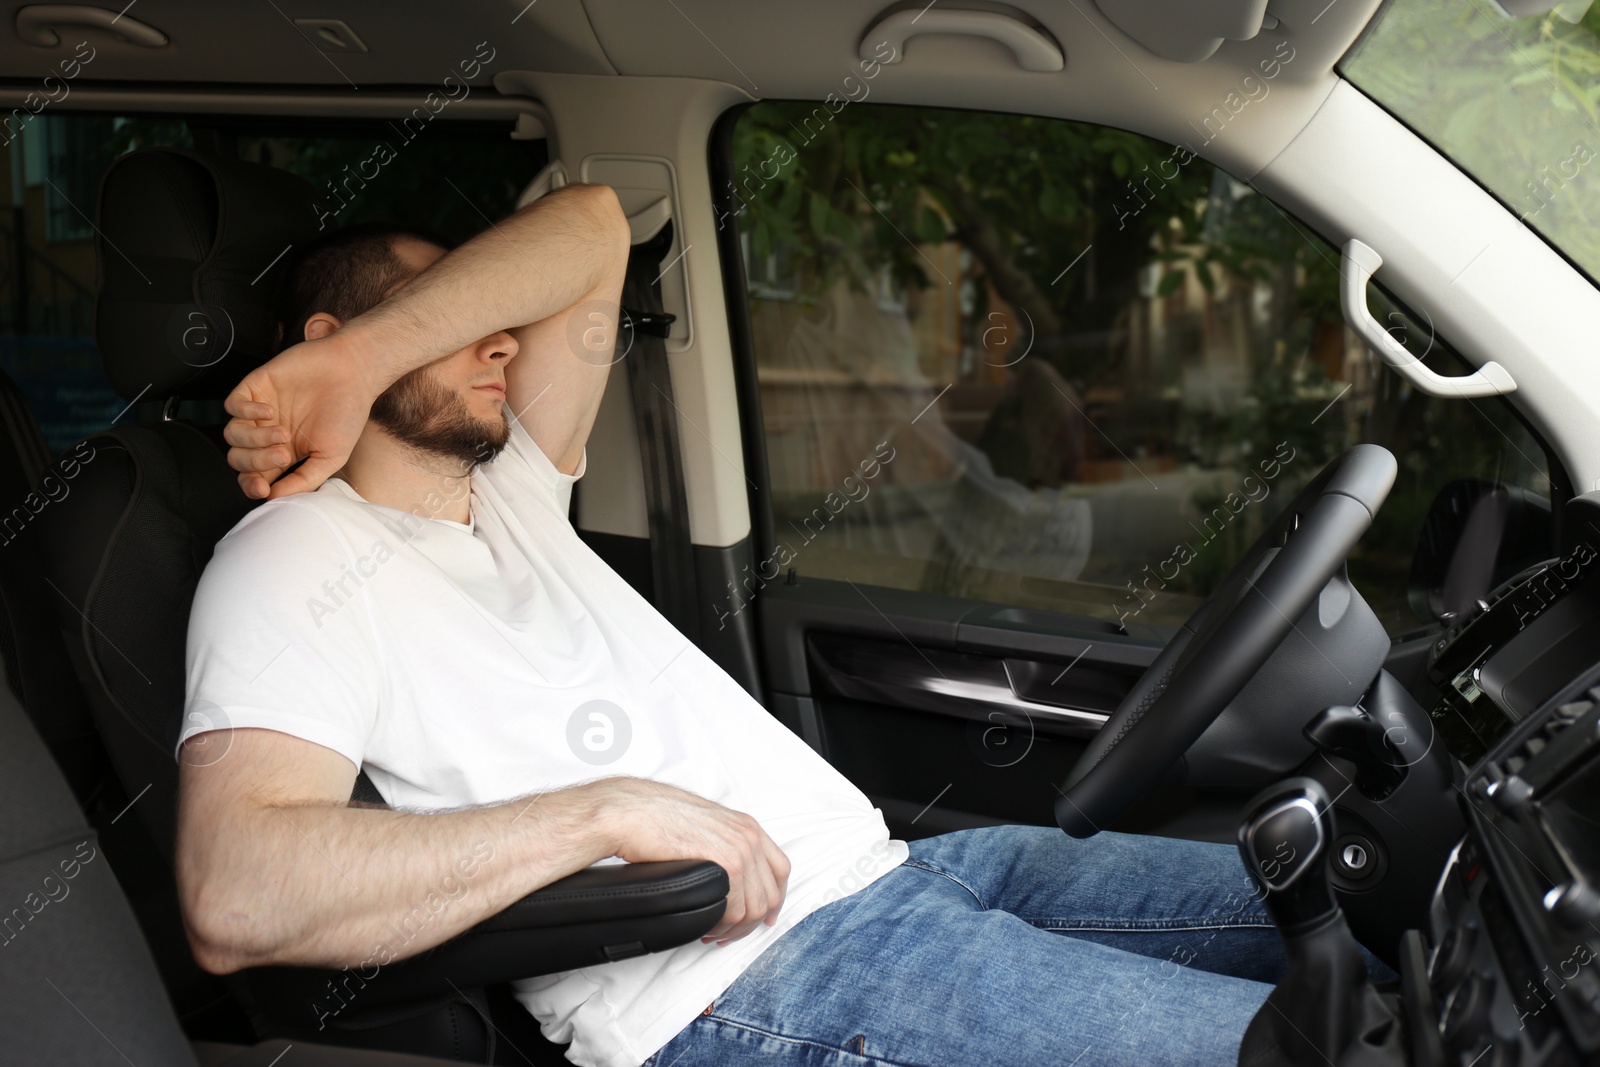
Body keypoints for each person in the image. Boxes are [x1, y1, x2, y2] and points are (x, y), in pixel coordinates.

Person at [178, 181, 1298, 1067]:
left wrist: (362, 354)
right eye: (447, 321)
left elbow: (591, 230)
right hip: (759, 983)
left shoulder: (510, 488)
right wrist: (599, 810)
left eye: (480, 315)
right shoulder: (289, 556)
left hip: (902, 876)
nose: (502, 342)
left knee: (1356, 898)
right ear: (323, 332)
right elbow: (235, 890)